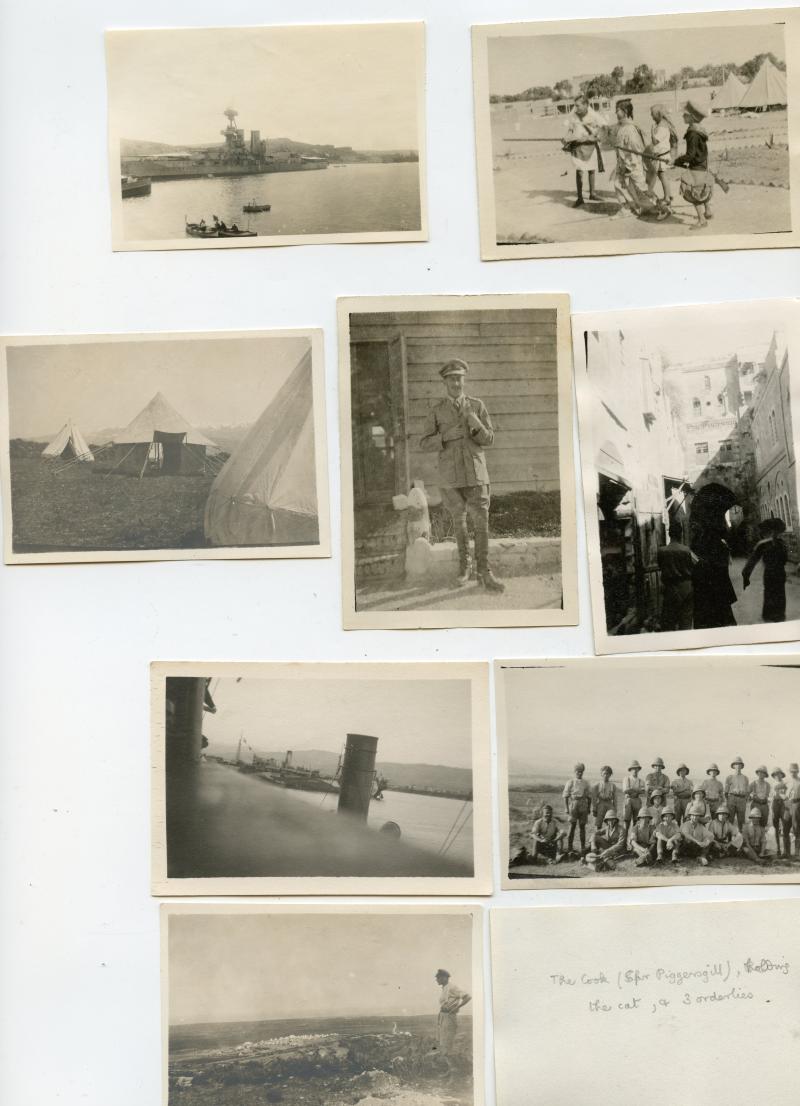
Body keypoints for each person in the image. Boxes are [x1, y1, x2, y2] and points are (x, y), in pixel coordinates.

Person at [420, 359, 504, 592]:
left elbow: (489, 439)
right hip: (450, 477)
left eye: (459, 378)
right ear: (445, 382)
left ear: (464, 380)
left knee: (481, 523)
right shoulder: (437, 410)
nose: (456, 383)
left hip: (476, 474)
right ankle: (464, 568)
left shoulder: (477, 405)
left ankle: (484, 571)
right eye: (451, 379)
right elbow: (424, 443)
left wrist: (474, 421)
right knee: (459, 523)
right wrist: (445, 436)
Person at [673, 100, 715, 229]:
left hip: (696, 166)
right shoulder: (699, 129)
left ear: (692, 117)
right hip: (703, 163)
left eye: (685, 115)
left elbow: (690, 155)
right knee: (702, 187)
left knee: (693, 192)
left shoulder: (692, 133)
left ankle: (702, 220)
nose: (683, 116)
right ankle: (708, 211)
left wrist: (677, 161)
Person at [742, 518, 789, 622]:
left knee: (770, 593)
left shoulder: (763, 544)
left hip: (770, 573)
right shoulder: (782, 543)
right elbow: (785, 559)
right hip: (780, 573)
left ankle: (769, 615)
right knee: (779, 593)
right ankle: (779, 616)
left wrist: (746, 575)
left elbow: (752, 561)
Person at [562, 94, 604, 208]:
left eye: (578, 105)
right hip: (578, 147)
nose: (576, 108)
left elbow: (601, 127)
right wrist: (566, 138)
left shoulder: (593, 115)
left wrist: (590, 136)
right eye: (575, 106)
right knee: (579, 171)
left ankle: (592, 194)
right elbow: (570, 130)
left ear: (586, 105)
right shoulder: (573, 116)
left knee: (591, 169)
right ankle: (580, 198)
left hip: (590, 145)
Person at [691, 526, 737, 628]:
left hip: (708, 589)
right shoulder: (721, 545)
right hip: (719, 589)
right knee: (723, 618)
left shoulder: (703, 544)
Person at [611, 99, 648, 218]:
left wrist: (628, 165)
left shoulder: (631, 128)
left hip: (632, 164)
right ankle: (626, 208)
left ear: (625, 111)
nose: (615, 113)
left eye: (617, 110)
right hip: (622, 163)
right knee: (618, 184)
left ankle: (661, 208)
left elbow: (637, 148)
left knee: (641, 189)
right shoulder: (621, 127)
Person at [657, 521, 697, 630]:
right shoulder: (687, 550)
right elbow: (697, 564)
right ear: (681, 534)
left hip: (670, 589)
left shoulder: (661, 551)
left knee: (669, 623)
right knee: (685, 623)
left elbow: (661, 566)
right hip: (686, 588)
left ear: (669, 534)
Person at [646, 104, 678, 218]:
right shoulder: (661, 125)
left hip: (662, 156)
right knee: (662, 176)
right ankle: (668, 196)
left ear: (658, 114)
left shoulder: (662, 127)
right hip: (660, 156)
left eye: (652, 114)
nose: (651, 116)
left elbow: (655, 141)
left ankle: (667, 197)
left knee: (663, 176)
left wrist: (651, 131)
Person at [434, 969, 471, 1056]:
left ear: (444, 978)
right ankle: (444, 1057)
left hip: (449, 1016)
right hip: (443, 1015)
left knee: (447, 1039)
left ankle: (447, 1058)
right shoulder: (445, 988)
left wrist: (457, 1007)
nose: (436, 980)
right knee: (442, 1038)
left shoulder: (452, 987)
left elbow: (467, 997)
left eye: (438, 977)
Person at [563, 762, 592, 856]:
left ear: (583, 772)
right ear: (574, 771)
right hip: (574, 804)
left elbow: (589, 796)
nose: (579, 773)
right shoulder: (570, 782)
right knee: (572, 826)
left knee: (582, 827)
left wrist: (588, 808)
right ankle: (570, 848)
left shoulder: (586, 782)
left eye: (581, 771)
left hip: (583, 804)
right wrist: (566, 808)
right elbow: (565, 796)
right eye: (578, 771)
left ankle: (583, 848)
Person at [770, 769, 792, 860]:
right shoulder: (772, 785)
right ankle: (778, 849)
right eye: (775, 775)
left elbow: (788, 796)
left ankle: (787, 851)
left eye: (779, 774)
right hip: (775, 804)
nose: (777, 776)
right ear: (774, 776)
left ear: (782, 775)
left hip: (784, 804)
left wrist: (787, 808)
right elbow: (771, 798)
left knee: (785, 827)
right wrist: (772, 810)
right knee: (776, 828)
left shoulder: (786, 784)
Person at [725, 757, 750, 831]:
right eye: (736, 764)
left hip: (742, 799)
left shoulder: (745, 778)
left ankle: (741, 836)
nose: (738, 766)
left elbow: (747, 791)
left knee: (741, 820)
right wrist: (729, 800)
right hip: (732, 798)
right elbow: (726, 792)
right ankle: (729, 836)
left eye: (739, 764)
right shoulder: (729, 777)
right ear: (733, 766)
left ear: (742, 766)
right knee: (730, 819)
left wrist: (744, 799)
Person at [622, 759, 646, 836]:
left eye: (636, 768)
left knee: (637, 821)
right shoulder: (627, 779)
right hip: (628, 800)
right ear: (630, 770)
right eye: (633, 769)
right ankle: (624, 840)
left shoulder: (641, 780)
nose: (635, 770)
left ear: (638, 770)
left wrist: (632, 789)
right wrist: (637, 790)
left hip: (637, 800)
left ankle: (634, 839)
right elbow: (626, 790)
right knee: (626, 821)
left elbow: (643, 791)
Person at [787, 762, 800, 858]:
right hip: (787, 804)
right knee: (786, 826)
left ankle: (796, 851)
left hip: (797, 804)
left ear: (798, 772)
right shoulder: (787, 782)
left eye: (795, 771)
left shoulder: (799, 781)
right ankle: (786, 852)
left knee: (796, 827)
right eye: (791, 771)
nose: (793, 773)